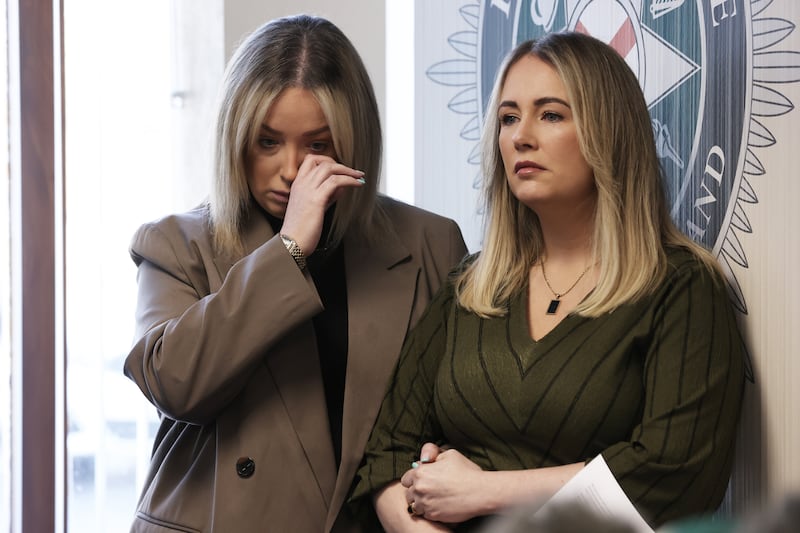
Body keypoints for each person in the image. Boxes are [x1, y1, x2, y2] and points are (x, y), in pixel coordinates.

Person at [349, 31, 746, 532]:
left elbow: (674, 472)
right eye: (509, 117)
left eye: (551, 114)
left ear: (609, 131)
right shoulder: (470, 288)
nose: (520, 136)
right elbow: (385, 454)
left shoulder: (681, 289)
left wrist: (481, 491)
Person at [123, 14, 467, 533]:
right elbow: (176, 386)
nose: (290, 169)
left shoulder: (428, 243)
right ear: (235, 141)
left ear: (355, 142)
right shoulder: (177, 243)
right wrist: (288, 252)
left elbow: (457, 409)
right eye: (267, 142)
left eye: (318, 145)